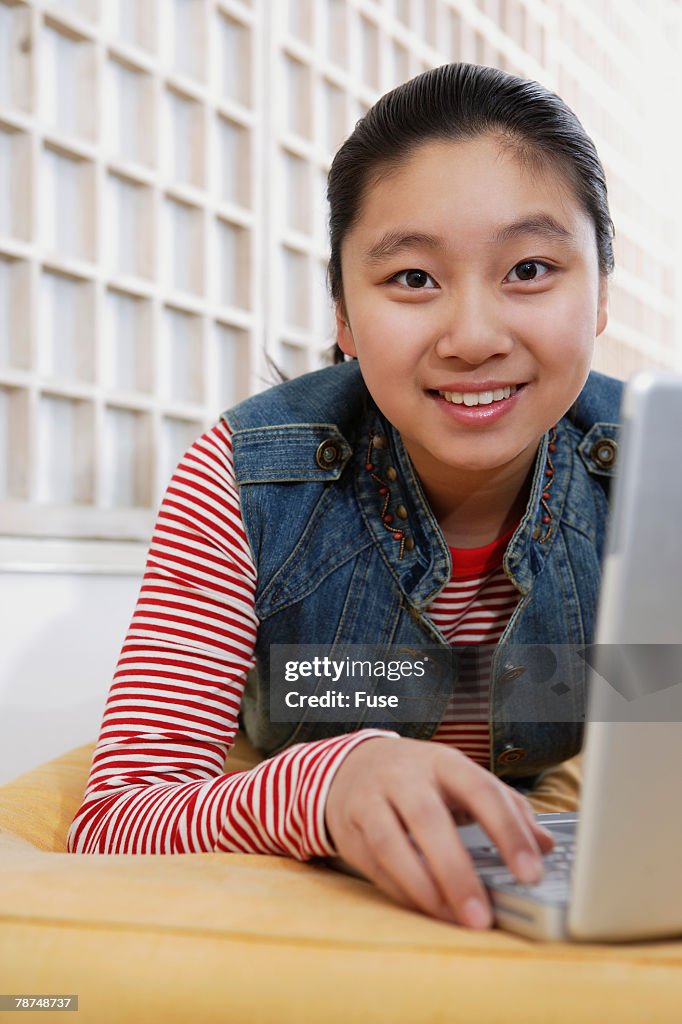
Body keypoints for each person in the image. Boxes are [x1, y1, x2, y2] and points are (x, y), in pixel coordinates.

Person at [68, 63, 623, 932]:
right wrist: (328, 782)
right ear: (343, 313)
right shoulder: (245, 480)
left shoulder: (652, 472)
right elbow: (117, 817)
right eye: (412, 279)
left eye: (529, 267)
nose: (473, 338)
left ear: (598, 294)